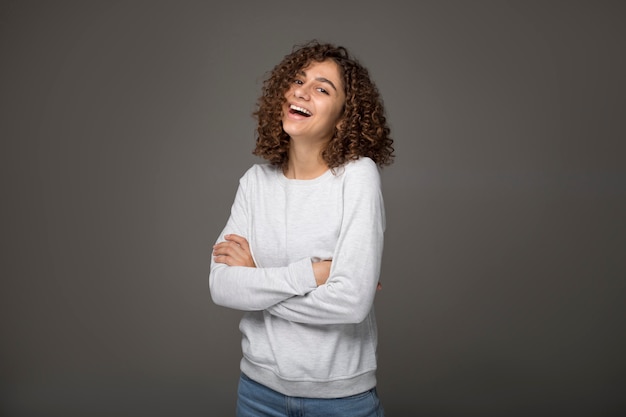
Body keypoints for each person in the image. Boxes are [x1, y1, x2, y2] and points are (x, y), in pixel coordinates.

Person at [209, 40, 394, 417]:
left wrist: (255, 280)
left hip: (342, 401)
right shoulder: (255, 182)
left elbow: (353, 302)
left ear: (344, 117)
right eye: (297, 80)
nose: (301, 91)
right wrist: (315, 273)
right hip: (258, 393)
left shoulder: (357, 177)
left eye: (322, 88)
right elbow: (221, 286)